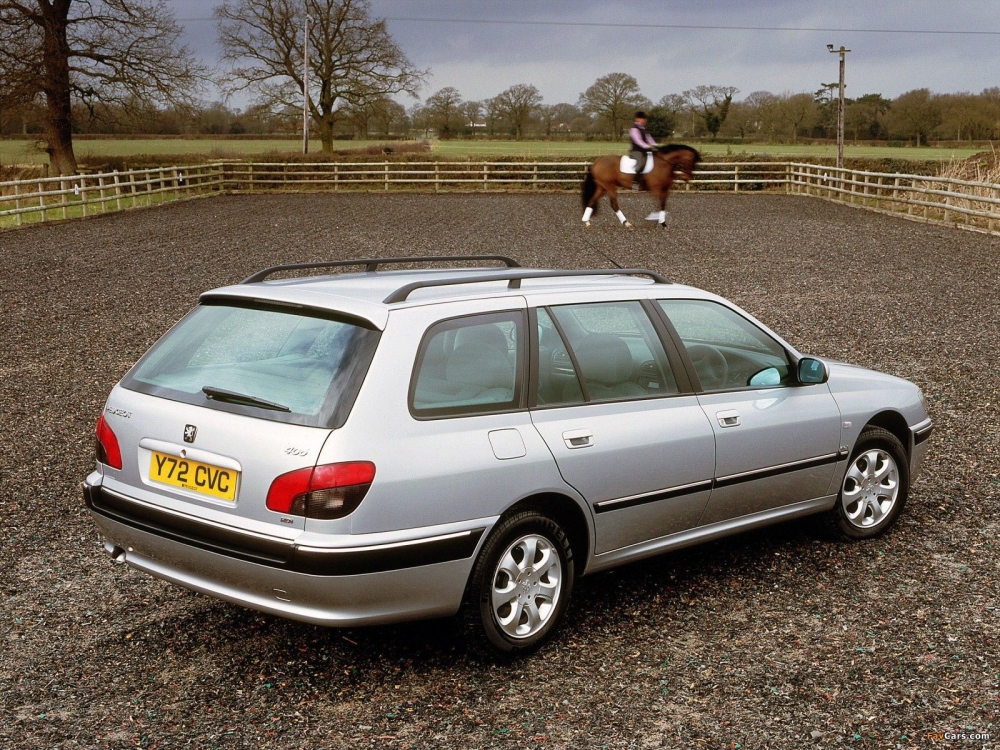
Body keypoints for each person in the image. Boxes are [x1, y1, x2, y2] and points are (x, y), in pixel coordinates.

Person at [628, 111, 657, 190]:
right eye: (641, 119)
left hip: (644, 150)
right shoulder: (634, 129)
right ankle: (634, 182)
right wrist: (647, 146)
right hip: (636, 151)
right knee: (641, 163)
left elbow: (649, 138)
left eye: (644, 119)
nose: (643, 120)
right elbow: (638, 141)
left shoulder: (643, 129)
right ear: (637, 119)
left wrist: (656, 146)